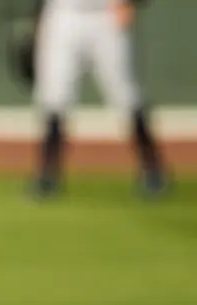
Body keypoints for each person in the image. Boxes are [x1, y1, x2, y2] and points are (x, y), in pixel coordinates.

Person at [31, 0, 167, 196]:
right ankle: (46, 174)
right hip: (63, 13)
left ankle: (152, 169)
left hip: (106, 14)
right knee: (53, 96)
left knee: (126, 95)